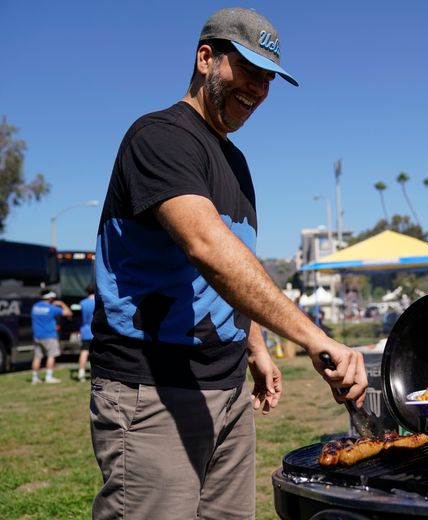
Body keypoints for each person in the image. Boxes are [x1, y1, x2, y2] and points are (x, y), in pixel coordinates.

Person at [89, 8, 367, 520]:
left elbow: (232, 270)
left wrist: (255, 345)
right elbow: (207, 247)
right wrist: (314, 336)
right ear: (205, 59)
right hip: (152, 390)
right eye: (248, 70)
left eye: (268, 79)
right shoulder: (158, 137)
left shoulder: (235, 163)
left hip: (229, 391)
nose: (258, 89)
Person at [31, 290, 73, 384]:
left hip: (37, 336)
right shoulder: (52, 308)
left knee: (37, 357)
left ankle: (34, 378)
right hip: (49, 335)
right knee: (51, 356)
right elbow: (69, 313)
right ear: (50, 298)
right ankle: (48, 377)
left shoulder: (35, 306)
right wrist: (61, 304)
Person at [77, 283, 96, 382]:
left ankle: (81, 373)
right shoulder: (99, 302)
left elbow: (79, 318)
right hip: (96, 330)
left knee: (84, 352)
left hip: (85, 330)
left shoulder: (82, 303)